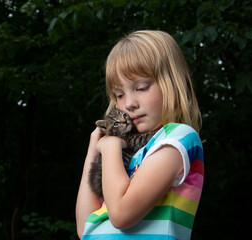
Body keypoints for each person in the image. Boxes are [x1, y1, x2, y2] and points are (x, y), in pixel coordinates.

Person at [76, 30, 204, 240]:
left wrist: (109, 147)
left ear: (171, 82)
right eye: (119, 94)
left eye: (142, 88)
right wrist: (93, 148)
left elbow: (121, 215)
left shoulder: (178, 138)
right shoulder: (128, 153)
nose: (129, 103)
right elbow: (86, 228)